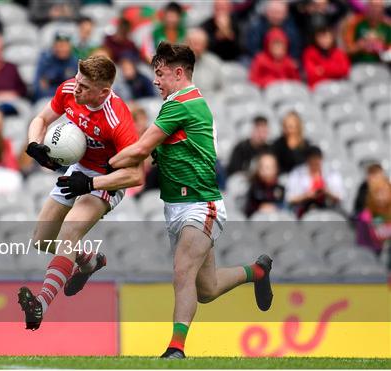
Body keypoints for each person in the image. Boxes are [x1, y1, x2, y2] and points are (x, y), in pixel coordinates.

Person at [109, 42, 273, 359]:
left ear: (179, 72)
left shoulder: (180, 104)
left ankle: (176, 350)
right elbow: (156, 152)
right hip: (179, 207)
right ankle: (257, 271)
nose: (155, 80)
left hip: (200, 204)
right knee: (207, 288)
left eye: (159, 73)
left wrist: (95, 172)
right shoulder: (181, 104)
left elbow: (141, 150)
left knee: (182, 271)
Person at [17, 56, 143, 331]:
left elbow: (135, 175)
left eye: (85, 87)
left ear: (104, 92)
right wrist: (35, 144)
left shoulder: (117, 119)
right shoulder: (69, 90)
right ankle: (89, 261)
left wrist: (90, 185)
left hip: (105, 180)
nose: (77, 89)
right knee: (41, 239)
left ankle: (41, 303)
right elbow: (41, 118)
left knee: (67, 234)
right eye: (77, 80)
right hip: (77, 171)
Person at [285, 145, 344, 218]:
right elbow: (289, 198)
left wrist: (326, 192)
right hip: (305, 208)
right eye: (312, 159)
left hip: (328, 207)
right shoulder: (297, 174)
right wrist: (306, 196)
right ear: (307, 160)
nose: (315, 162)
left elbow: (340, 196)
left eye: (317, 159)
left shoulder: (331, 173)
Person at [33, 32, 79, 100]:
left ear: (70, 47)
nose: (62, 49)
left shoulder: (75, 62)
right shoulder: (45, 61)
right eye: (60, 45)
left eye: (65, 45)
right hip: (47, 99)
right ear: (54, 46)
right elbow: (38, 87)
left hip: (69, 99)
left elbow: (78, 88)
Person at [303, 24, 350, 88]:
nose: (324, 40)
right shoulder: (309, 52)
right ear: (315, 38)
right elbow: (311, 74)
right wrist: (334, 69)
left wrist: (322, 69)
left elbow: (345, 70)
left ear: (332, 38)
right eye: (320, 37)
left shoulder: (339, 52)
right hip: (318, 88)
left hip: (338, 87)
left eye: (326, 37)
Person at [356, 177, 391, 254]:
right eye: (377, 193)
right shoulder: (366, 215)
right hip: (372, 254)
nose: (381, 197)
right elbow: (378, 234)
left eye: (385, 192)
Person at [244, 152, 285, 218]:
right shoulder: (254, 188)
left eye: (271, 167)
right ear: (259, 170)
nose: (268, 171)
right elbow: (248, 210)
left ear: (277, 169)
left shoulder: (280, 188)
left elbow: (284, 208)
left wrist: (274, 207)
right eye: (265, 167)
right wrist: (259, 208)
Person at [186, 28, 223, 95]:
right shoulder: (175, 64)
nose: (197, 48)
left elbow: (222, 89)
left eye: (201, 44)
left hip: (210, 103)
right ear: (186, 44)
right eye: (194, 44)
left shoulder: (214, 63)